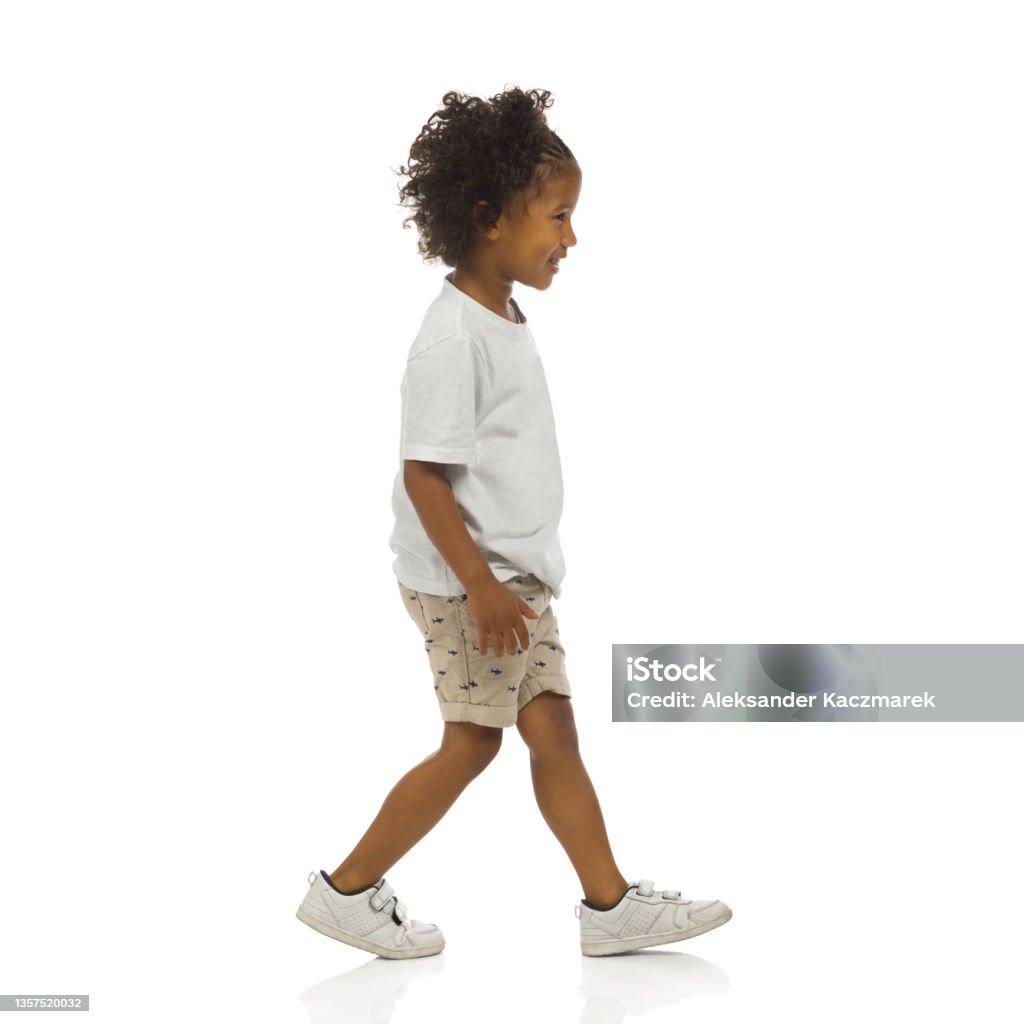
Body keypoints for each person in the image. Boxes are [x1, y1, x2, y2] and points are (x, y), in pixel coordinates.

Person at [296, 86, 732, 959]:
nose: (571, 238)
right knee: (471, 744)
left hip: (507, 576)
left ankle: (609, 908)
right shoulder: (453, 337)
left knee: (547, 732)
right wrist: (483, 586)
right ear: (490, 218)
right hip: (473, 581)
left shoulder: (501, 317)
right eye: (559, 217)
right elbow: (422, 477)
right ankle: (345, 890)